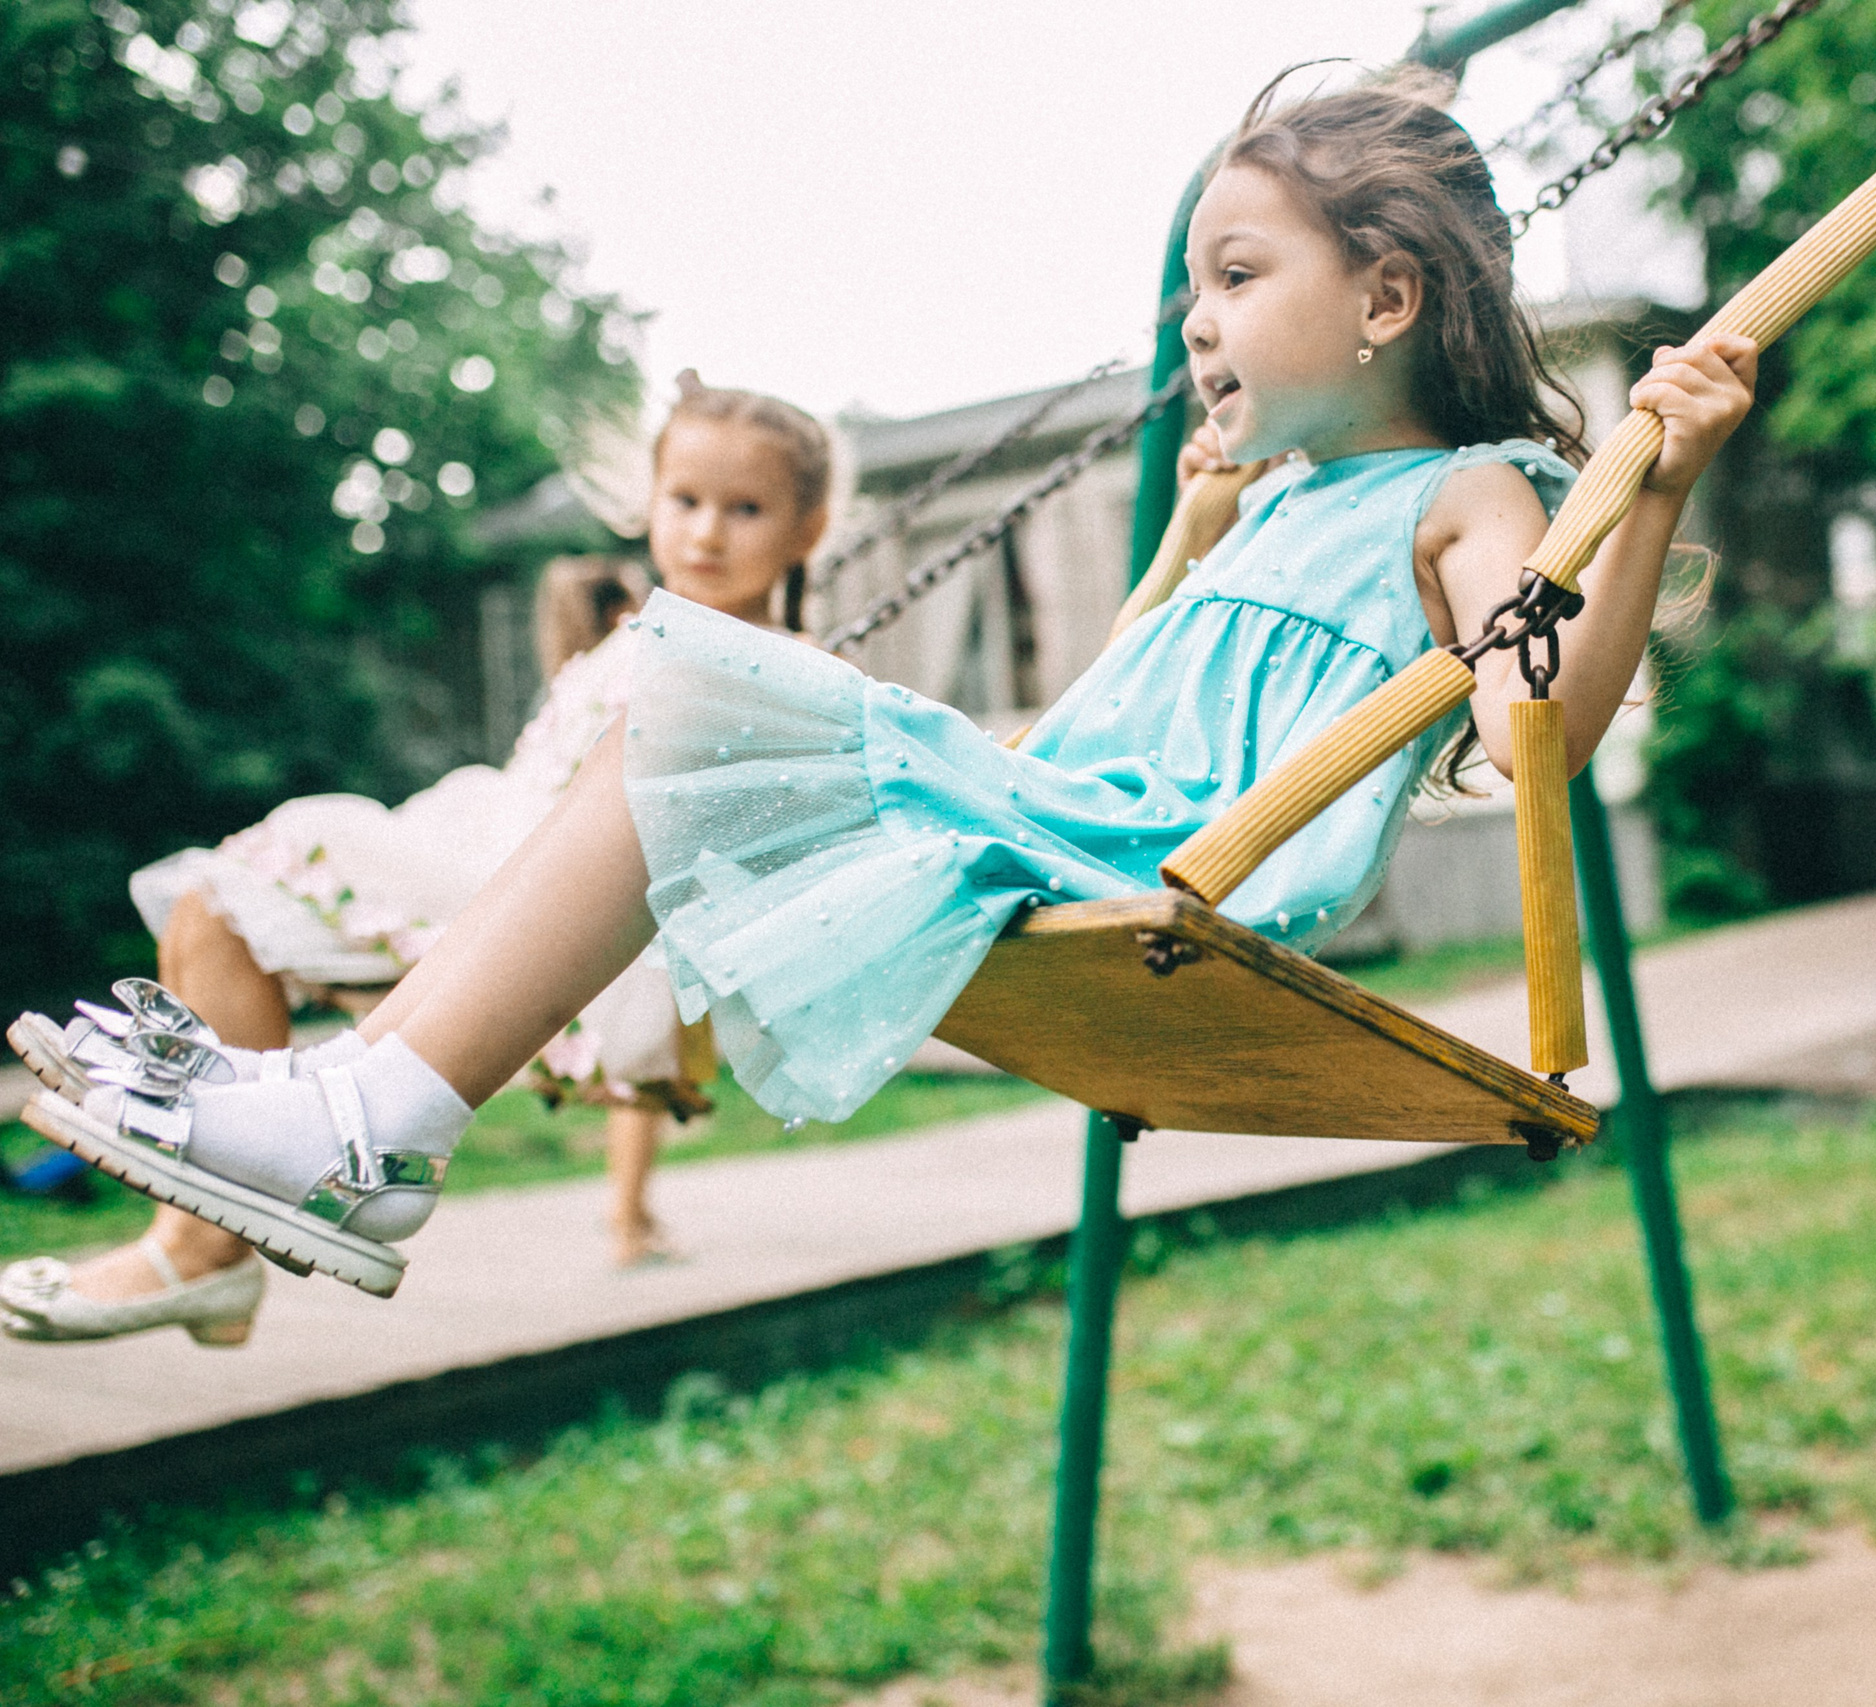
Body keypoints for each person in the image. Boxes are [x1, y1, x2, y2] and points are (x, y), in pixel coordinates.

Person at [14, 73, 1759, 1300]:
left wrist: (1653, 491)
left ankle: (373, 1119)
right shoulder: (1276, 506)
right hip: (1086, 809)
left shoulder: (1470, 495)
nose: (1196, 323)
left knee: (684, 701)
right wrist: (1187, 544)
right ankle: (363, 1107)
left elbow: (1538, 731)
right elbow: (1123, 696)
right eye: (1192, 286)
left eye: (1237, 278)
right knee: (663, 719)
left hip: (1172, 857)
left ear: (1386, 296)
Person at [1, 376, 834, 1338]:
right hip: (490, 843)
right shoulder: (637, 631)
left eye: (746, 509)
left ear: (806, 528)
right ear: (648, 501)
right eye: (685, 500)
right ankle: (213, 1223)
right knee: (207, 907)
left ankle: (209, 1245)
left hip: (548, 894)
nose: (707, 532)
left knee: (254, 873)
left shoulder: (780, 662)